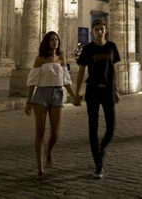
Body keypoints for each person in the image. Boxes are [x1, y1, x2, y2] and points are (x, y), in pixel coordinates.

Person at [25, 31, 79, 180]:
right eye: (51, 39)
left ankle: (48, 151)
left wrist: (74, 96)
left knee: (55, 134)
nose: (54, 41)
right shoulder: (40, 60)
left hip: (57, 95)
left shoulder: (61, 59)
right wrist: (28, 102)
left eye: (56, 39)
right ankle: (40, 168)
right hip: (41, 95)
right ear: (46, 42)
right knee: (40, 132)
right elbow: (32, 82)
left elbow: (66, 80)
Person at [75, 19, 121, 179]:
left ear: (105, 30)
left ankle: (102, 148)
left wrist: (115, 89)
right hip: (92, 90)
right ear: (93, 31)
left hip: (108, 90)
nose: (99, 31)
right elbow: (81, 71)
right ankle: (98, 164)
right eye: (96, 29)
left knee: (111, 127)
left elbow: (114, 70)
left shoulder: (111, 46)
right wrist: (76, 92)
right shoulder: (88, 48)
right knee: (92, 127)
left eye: (102, 29)